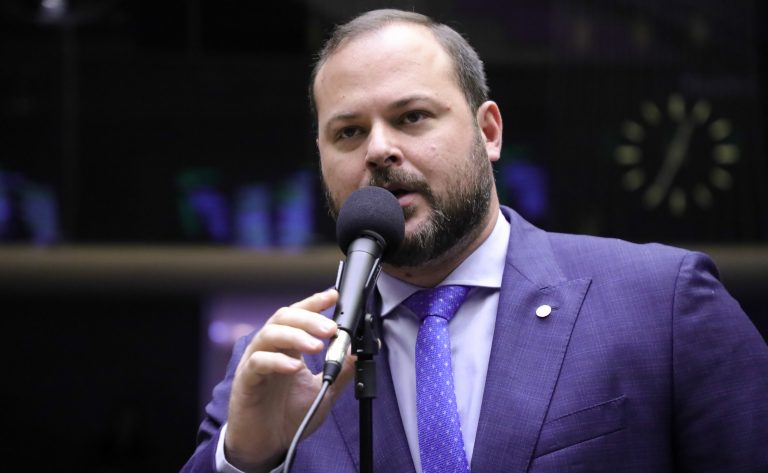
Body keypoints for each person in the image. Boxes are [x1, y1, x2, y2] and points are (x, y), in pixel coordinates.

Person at [180, 8, 768, 473]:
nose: (377, 149)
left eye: (412, 117)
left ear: (488, 131)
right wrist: (249, 460)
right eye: (348, 131)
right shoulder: (279, 364)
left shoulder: (660, 304)